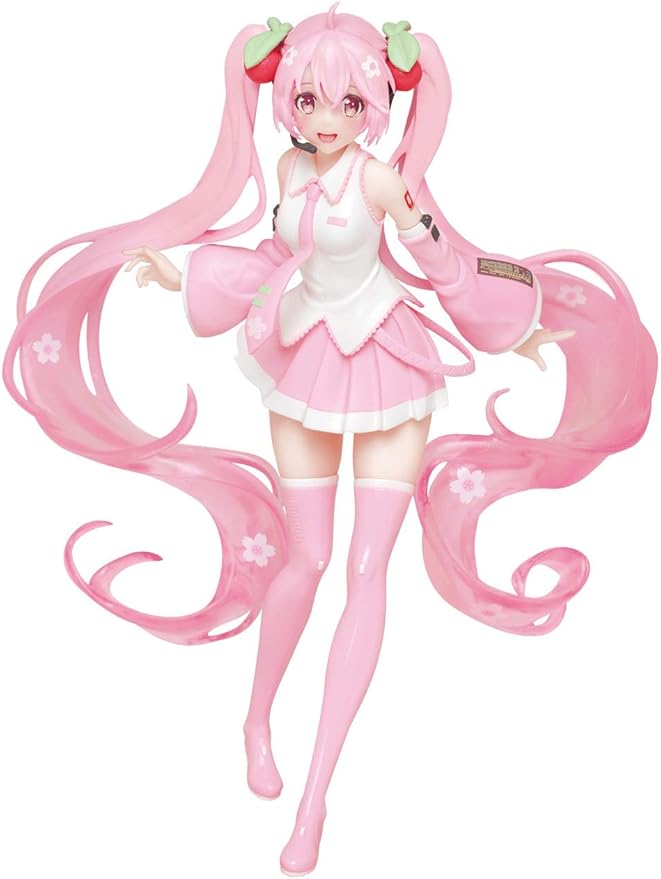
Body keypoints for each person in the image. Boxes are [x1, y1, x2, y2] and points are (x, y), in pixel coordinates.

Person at [4, 4, 656, 876]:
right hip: (305, 358)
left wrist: (520, 318)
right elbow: (277, 261)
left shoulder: (382, 183)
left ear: (376, 105)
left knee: (365, 567)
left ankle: (315, 799)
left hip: (388, 360)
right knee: (305, 556)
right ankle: (255, 716)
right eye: (309, 99)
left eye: (349, 104)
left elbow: (442, 264)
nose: (326, 118)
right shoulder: (286, 167)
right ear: (286, 98)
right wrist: (183, 269)